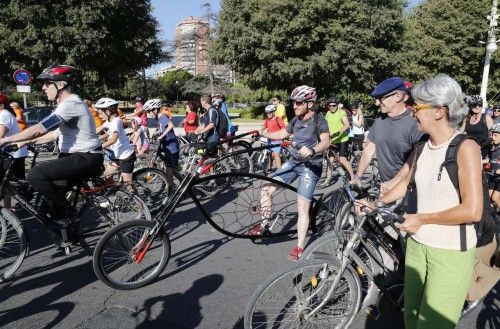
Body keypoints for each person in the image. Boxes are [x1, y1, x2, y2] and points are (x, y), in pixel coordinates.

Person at [362, 74, 482, 329]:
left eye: (417, 107)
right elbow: (406, 185)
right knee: (411, 318)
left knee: (433, 325)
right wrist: (376, 203)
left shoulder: (465, 147)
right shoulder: (422, 146)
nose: (412, 112)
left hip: (449, 252)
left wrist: (422, 219)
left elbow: (473, 210)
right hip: (418, 245)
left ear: (439, 111)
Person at [0, 65, 103, 229]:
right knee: (47, 203)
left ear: (60, 84)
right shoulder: (66, 104)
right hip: (75, 157)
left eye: (47, 83)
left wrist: (5, 140)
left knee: (35, 175)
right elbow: (54, 135)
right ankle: (70, 233)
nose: (43, 87)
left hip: (86, 157)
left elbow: (40, 128)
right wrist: (21, 142)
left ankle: (70, 212)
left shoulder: (71, 104)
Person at [250, 85, 331, 261]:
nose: (294, 105)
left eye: (299, 102)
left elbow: (326, 141)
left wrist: (313, 150)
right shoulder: (296, 120)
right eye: (293, 102)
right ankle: (264, 226)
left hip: (310, 167)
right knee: (266, 188)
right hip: (293, 162)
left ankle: (300, 247)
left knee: (302, 207)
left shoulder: (319, 120)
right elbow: (281, 133)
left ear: (310, 103)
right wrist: (264, 134)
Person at [354, 76, 423, 196]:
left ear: (398, 96)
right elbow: (370, 148)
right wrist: (358, 177)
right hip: (386, 186)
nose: (377, 103)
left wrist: (394, 182)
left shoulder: (414, 122)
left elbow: (416, 157)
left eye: (381, 98)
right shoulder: (380, 119)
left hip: (409, 189)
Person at [95, 98, 136, 184]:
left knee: (128, 185)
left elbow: (113, 139)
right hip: (117, 155)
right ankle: (116, 192)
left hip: (126, 156)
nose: (99, 116)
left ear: (108, 112)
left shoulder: (116, 121)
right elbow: (100, 131)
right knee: (106, 175)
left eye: (100, 113)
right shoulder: (109, 121)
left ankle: (137, 197)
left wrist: (99, 147)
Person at [0, 95, 28, 208]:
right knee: (16, 180)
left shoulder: (4, 115)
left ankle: (8, 210)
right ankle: (21, 203)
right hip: (15, 152)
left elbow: (1, 135)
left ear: (1, 105)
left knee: (7, 182)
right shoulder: (5, 114)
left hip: (13, 153)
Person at [146, 99, 180, 191]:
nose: (149, 114)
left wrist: (162, 135)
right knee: (169, 167)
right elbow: (162, 128)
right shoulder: (159, 117)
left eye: (149, 111)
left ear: (155, 109)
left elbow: (171, 125)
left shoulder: (162, 116)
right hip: (166, 145)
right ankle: (172, 184)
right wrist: (157, 133)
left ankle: (173, 186)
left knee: (170, 168)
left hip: (171, 146)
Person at [322, 96, 354, 186]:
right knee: (330, 161)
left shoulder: (341, 112)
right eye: (330, 105)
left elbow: (347, 125)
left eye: (334, 105)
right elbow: (325, 125)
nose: (332, 107)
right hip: (333, 140)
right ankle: (327, 180)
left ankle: (353, 177)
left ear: (337, 105)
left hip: (342, 139)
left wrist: (338, 132)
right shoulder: (328, 113)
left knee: (342, 160)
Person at [262, 104, 286, 169]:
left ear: (273, 112)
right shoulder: (267, 120)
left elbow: (284, 128)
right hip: (270, 140)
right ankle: (269, 168)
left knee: (276, 155)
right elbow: (264, 127)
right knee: (269, 154)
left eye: (270, 112)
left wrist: (281, 136)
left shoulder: (278, 119)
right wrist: (259, 131)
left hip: (277, 140)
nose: (268, 114)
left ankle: (279, 170)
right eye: (267, 113)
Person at [488, 123, 500, 209]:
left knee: (495, 198)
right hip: (492, 176)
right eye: (492, 135)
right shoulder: (492, 147)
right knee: (488, 199)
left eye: (495, 135)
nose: (493, 137)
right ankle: (494, 218)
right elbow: (488, 160)